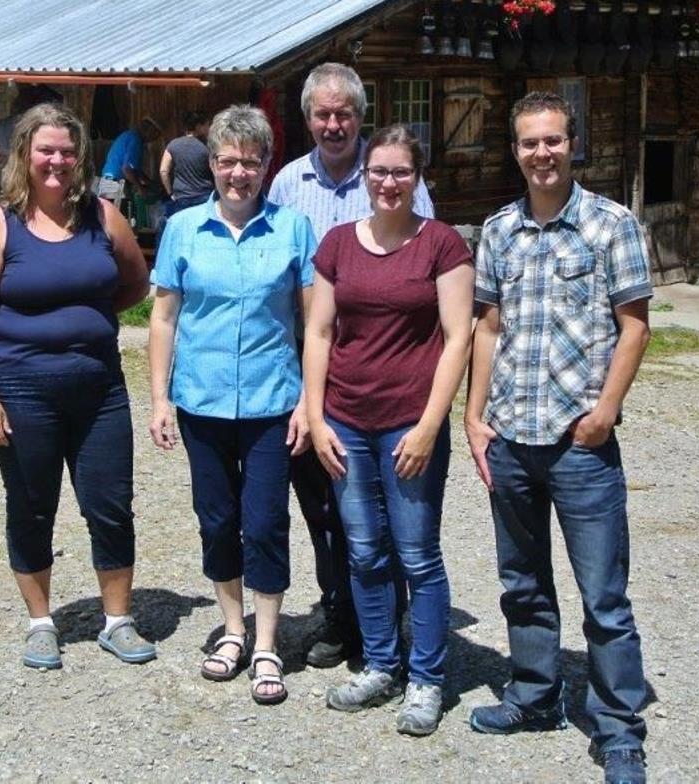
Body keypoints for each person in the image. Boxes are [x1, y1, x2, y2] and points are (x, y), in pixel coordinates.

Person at [464, 91, 652, 784]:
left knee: (604, 594)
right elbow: (487, 327)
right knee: (523, 582)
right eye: (528, 142)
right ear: (514, 150)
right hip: (512, 435)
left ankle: (619, 728)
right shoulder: (499, 230)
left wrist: (604, 412)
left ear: (573, 143)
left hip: (580, 444)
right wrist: (472, 415)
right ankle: (536, 695)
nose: (541, 153)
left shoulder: (611, 225)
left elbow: (634, 325)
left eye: (552, 140)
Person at [0, 103, 154, 671]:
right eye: (46, 149)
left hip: (100, 391)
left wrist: (89, 317)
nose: (57, 161)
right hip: (22, 390)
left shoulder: (102, 216)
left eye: (67, 151)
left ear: (80, 157)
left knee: (111, 506)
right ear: (25, 154)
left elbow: (135, 282)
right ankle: (41, 622)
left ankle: (117, 620)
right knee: (31, 505)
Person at [303, 124, 474, 733]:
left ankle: (425, 679)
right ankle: (380, 663)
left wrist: (431, 424)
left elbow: (460, 338)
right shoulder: (338, 244)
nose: (388, 182)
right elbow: (319, 332)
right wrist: (317, 415)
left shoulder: (442, 245)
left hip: (409, 424)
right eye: (379, 171)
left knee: (417, 554)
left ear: (417, 177)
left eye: (401, 172)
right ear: (364, 176)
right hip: (346, 421)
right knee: (365, 549)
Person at [268, 61, 437, 670]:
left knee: (391, 513)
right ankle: (341, 613)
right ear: (307, 118)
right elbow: (284, 288)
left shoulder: (394, 172)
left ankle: (390, 622)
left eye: (344, 114)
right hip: (314, 374)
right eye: (322, 114)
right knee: (324, 509)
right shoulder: (287, 184)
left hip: (388, 376)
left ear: (360, 117)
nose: (333, 124)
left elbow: (430, 264)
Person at [148, 105, 316, 706]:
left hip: (274, 403)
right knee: (217, 519)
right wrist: (160, 399)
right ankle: (233, 629)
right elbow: (163, 318)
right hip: (203, 403)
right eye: (227, 161)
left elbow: (314, 321)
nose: (238, 172)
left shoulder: (294, 229)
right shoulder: (183, 229)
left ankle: (268, 641)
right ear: (211, 163)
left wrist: (309, 402)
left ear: (267, 166)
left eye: (250, 161)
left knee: (266, 521)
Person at [158, 111, 213, 218]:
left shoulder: (173, 144)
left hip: (181, 198)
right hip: (204, 197)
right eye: (207, 125)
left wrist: (170, 193)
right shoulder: (208, 147)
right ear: (198, 126)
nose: (209, 128)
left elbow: (163, 171)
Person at [96, 117, 161, 201]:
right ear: (149, 131)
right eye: (155, 135)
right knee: (118, 212)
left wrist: (150, 182)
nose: (154, 139)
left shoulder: (128, 135)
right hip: (114, 183)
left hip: (108, 180)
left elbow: (136, 170)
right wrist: (141, 189)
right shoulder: (135, 140)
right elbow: (127, 169)